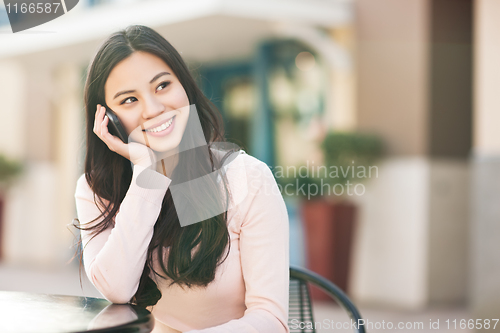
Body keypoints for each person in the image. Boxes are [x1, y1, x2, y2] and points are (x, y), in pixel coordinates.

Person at [73, 25, 290, 333]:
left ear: (184, 86)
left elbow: (271, 319)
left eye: (162, 85)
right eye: (129, 100)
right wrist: (147, 174)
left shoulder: (247, 178)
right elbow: (117, 289)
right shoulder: (96, 189)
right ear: (107, 118)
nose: (154, 109)